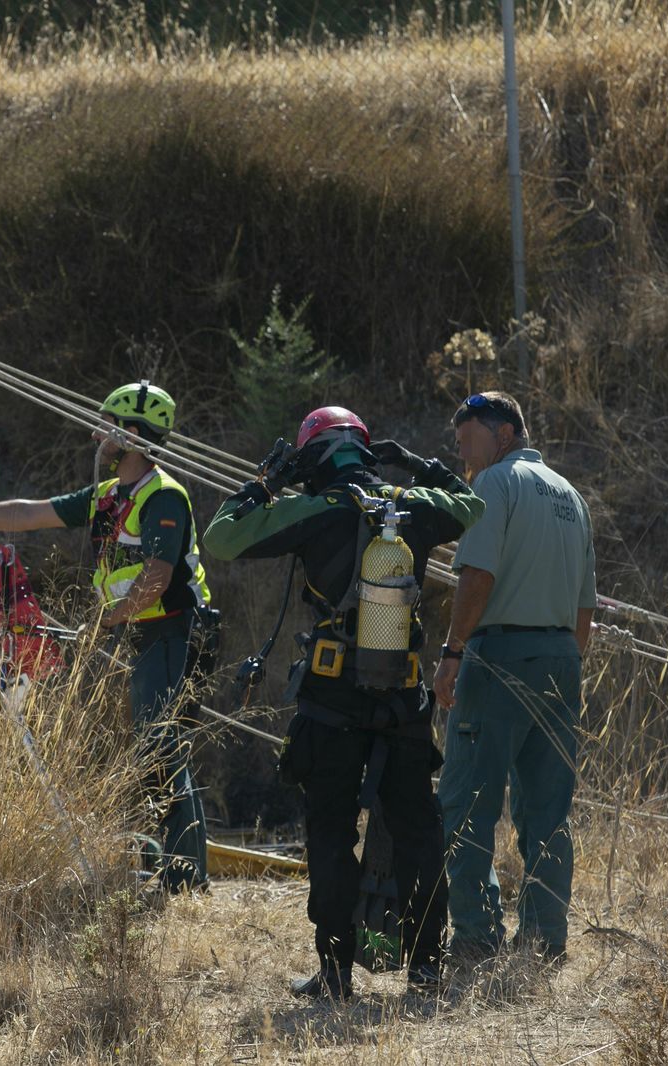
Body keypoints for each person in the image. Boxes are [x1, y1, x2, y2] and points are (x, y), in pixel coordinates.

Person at [204, 406, 483, 1000]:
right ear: (363, 450)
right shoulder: (414, 505)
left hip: (331, 700)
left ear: (314, 457)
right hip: (403, 698)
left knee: (331, 834)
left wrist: (266, 481)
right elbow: (472, 505)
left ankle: (336, 975)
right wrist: (418, 464)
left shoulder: (311, 510)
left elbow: (222, 535)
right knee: (418, 830)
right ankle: (427, 966)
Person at [0, 381, 214, 892]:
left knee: (160, 747)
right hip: (139, 630)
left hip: (171, 630)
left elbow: (158, 575)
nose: (100, 435)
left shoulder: (164, 496)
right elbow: (27, 513)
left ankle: (185, 879)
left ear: (133, 436)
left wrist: (110, 619)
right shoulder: (107, 495)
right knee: (157, 745)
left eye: (111, 427)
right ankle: (181, 872)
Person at [432, 390, 595, 967]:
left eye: (467, 437)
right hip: (561, 659)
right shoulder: (572, 497)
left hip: (499, 656)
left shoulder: (495, 484)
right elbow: (584, 612)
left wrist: (453, 653)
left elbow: (477, 575)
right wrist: (562, 666)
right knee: (547, 808)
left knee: (468, 798)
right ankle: (545, 940)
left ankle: (476, 936)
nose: (460, 452)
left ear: (501, 433)